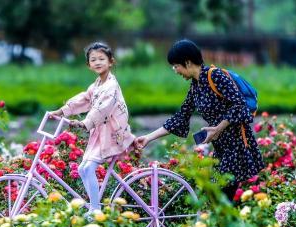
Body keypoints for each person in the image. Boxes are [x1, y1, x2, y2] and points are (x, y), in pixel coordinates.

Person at [134, 39, 265, 202]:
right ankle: (233, 225)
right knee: (220, 200)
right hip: (221, 149)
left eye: (176, 66)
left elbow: (239, 105)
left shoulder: (215, 76)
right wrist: (148, 137)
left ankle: (234, 226)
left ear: (188, 62)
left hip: (236, 148)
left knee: (220, 199)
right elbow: (181, 117)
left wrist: (218, 128)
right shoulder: (196, 86)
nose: (175, 70)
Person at [51, 42, 135, 215]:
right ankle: (94, 206)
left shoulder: (111, 86)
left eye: (101, 59)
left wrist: (85, 123)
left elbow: (102, 108)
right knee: (82, 168)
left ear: (111, 62)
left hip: (112, 134)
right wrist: (62, 111)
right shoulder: (96, 85)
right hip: (100, 133)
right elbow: (84, 99)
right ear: (88, 65)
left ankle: (96, 209)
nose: (97, 62)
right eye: (93, 60)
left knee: (88, 168)